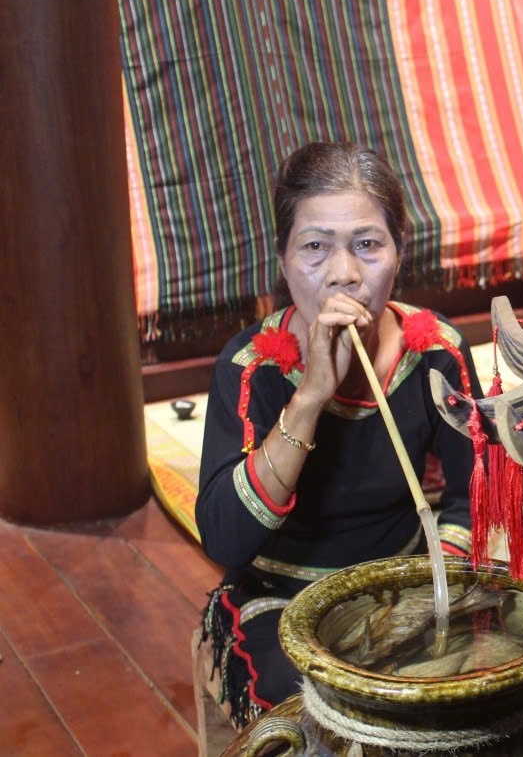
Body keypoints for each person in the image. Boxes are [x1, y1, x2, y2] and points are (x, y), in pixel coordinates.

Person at [196, 142, 479, 728]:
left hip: (405, 582)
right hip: (281, 593)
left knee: (487, 688)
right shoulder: (252, 368)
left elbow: (467, 500)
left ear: (399, 252)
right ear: (283, 258)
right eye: (315, 247)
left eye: (368, 245)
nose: (344, 273)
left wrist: (432, 597)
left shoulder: (436, 355)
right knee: (316, 709)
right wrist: (310, 397)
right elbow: (225, 539)